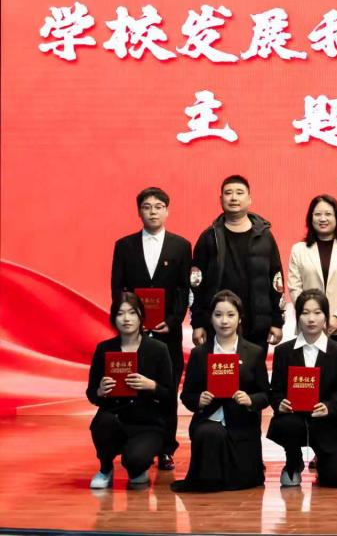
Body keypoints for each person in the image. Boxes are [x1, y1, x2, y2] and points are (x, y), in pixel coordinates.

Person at [110, 186, 192, 470]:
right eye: (147, 207)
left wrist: (173, 320)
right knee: (131, 385)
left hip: (167, 332)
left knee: (166, 389)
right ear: (139, 212)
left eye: (158, 207)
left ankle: (166, 448)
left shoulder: (181, 246)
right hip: (133, 334)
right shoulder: (124, 245)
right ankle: (130, 441)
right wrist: (128, 322)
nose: (153, 212)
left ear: (167, 211)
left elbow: (184, 289)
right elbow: (117, 288)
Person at [172, 290, 270, 492]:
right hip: (209, 421)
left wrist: (250, 400)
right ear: (211, 318)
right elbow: (187, 395)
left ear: (240, 318)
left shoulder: (254, 352)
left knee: (246, 480)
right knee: (210, 433)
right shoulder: (199, 354)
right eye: (218, 315)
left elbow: (266, 395)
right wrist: (199, 400)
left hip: (242, 425)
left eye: (230, 315)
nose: (224, 321)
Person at [86, 292, 174, 489]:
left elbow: (169, 394)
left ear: (141, 316)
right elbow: (91, 393)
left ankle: (138, 468)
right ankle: (105, 469)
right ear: (113, 318)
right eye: (120, 313)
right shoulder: (104, 349)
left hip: (147, 423)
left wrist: (152, 386)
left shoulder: (158, 349)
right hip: (115, 418)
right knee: (102, 423)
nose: (126, 319)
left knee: (135, 461)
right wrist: (100, 391)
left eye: (132, 313)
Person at [267, 289, 337, 488]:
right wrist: (280, 403)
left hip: (328, 422)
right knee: (287, 424)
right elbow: (275, 391)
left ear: (326, 316)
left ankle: (324, 458)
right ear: (298, 317)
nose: (311, 319)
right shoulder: (283, 352)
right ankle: (293, 460)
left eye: (317, 312)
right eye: (305, 313)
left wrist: (329, 406)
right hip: (294, 419)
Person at [192, 175, 284, 356]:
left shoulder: (265, 236)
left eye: (239, 193)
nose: (234, 198)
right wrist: (197, 323)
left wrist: (277, 321)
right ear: (221, 200)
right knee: (220, 372)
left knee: (253, 372)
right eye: (228, 193)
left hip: (257, 324)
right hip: (218, 324)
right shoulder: (209, 237)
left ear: (249, 199)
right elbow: (196, 284)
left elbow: (276, 280)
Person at [287, 194, 337, 349]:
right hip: (309, 326)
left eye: (328, 214)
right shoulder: (298, 250)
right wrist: (311, 315)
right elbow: (295, 288)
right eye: (317, 214)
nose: (323, 219)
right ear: (310, 218)